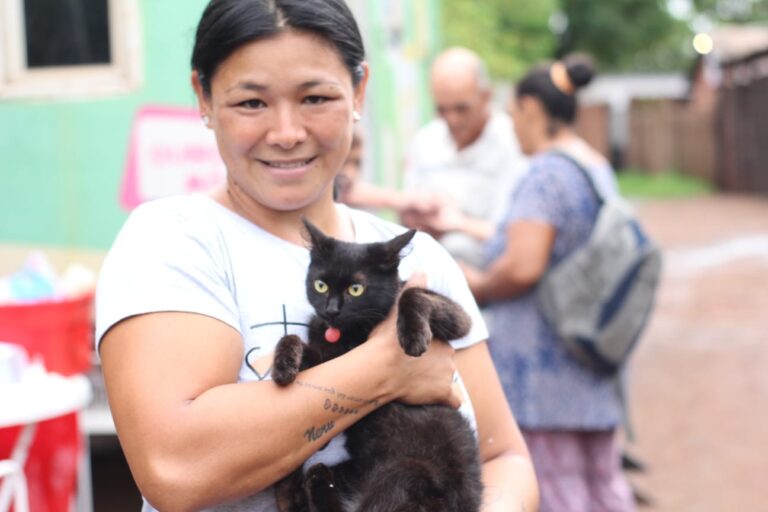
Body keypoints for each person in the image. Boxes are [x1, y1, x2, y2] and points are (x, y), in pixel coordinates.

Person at [94, 1, 539, 511]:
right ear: (204, 97)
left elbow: (505, 458)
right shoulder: (174, 241)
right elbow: (175, 467)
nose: (286, 133)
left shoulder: (418, 258)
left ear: (359, 91)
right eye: (251, 103)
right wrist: (386, 369)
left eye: (315, 97)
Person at [459, 54, 637, 512]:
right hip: (590, 358)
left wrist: (474, 284)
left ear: (533, 109)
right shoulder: (593, 165)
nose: (512, 124)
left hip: (544, 373)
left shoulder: (545, 173)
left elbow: (523, 265)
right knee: (604, 486)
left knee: (558, 492)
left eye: (514, 113)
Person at [400, 47, 527, 268]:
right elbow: (406, 216)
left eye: (462, 109)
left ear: (486, 96)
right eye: (442, 109)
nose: (452, 120)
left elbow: (514, 234)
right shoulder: (425, 140)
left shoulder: (513, 143)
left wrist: (456, 223)